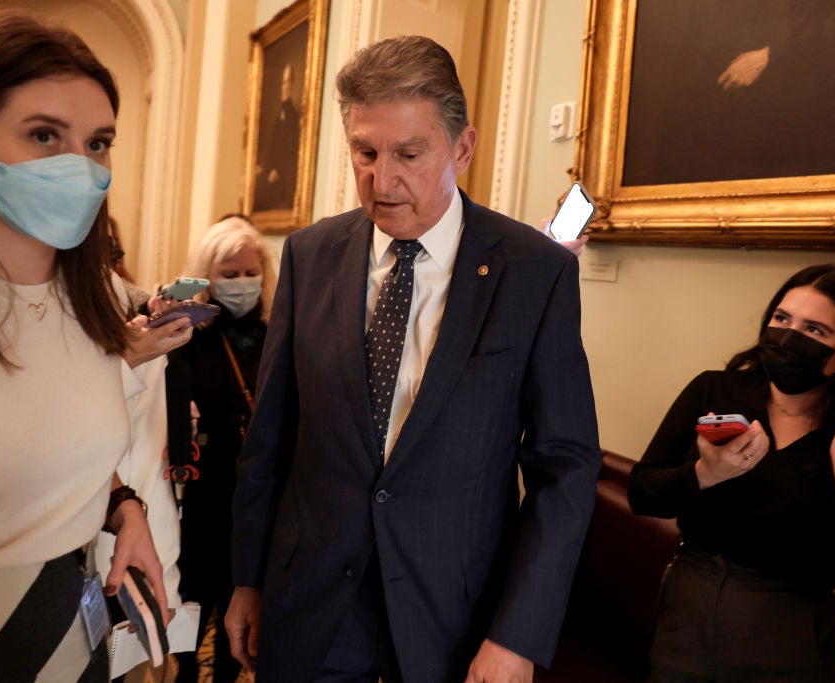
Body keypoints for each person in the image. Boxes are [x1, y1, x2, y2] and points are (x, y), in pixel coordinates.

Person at [225, 35, 601, 683]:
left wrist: (518, 634)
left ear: (462, 147)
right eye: (364, 152)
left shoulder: (532, 273)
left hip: (450, 618)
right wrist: (247, 579)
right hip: (310, 603)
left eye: (408, 153)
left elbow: (563, 471)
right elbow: (271, 439)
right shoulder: (310, 255)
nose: (382, 179)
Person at [0, 10, 191, 681]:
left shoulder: (89, 303)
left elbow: (58, 441)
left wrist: (123, 505)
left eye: (98, 143)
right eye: (44, 135)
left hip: (73, 634)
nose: (79, 166)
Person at [627, 264, 835, 681]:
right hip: (688, 610)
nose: (788, 337)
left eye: (815, 331)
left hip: (787, 632)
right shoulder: (715, 391)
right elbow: (642, 493)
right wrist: (704, 473)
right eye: (782, 318)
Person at [167, 214, 277, 682]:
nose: (241, 283)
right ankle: (187, 670)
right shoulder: (191, 335)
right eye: (229, 276)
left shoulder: (276, 334)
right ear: (209, 279)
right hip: (202, 489)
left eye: (249, 273)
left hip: (256, 495)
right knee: (193, 597)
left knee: (241, 604)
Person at [253, 63, 301, 211]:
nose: (285, 86)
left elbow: (289, 148)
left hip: (278, 174)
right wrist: (263, 165)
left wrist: (277, 170)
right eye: (283, 82)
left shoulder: (292, 115)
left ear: (292, 85)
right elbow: (273, 143)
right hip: (269, 169)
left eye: (288, 82)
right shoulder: (280, 110)